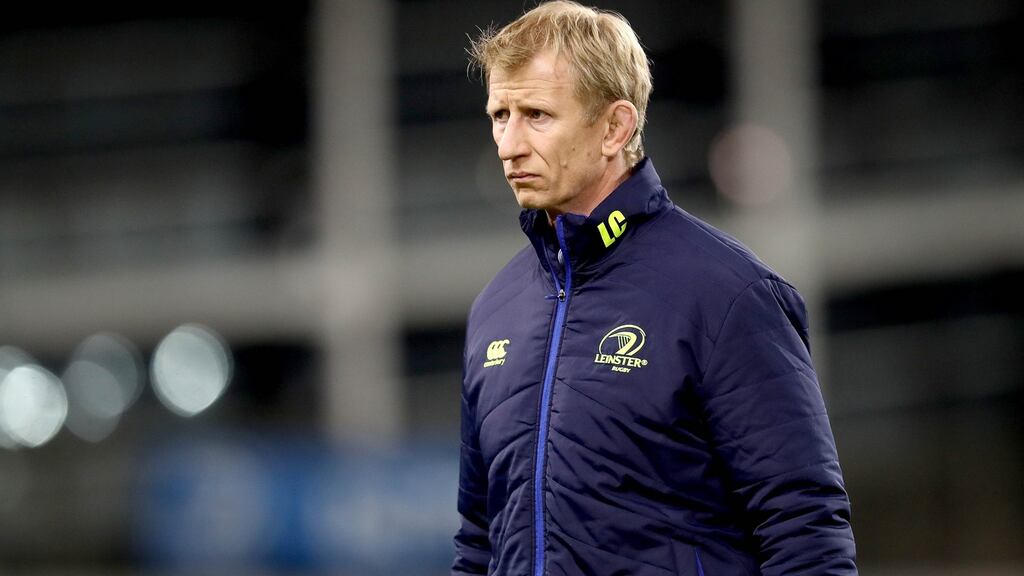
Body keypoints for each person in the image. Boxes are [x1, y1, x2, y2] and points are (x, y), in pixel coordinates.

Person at [453, 2, 858, 575]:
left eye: (537, 114)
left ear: (615, 128)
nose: (508, 144)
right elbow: (478, 542)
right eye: (500, 115)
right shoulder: (495, 309)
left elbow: (803, 529)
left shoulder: (726, 295)